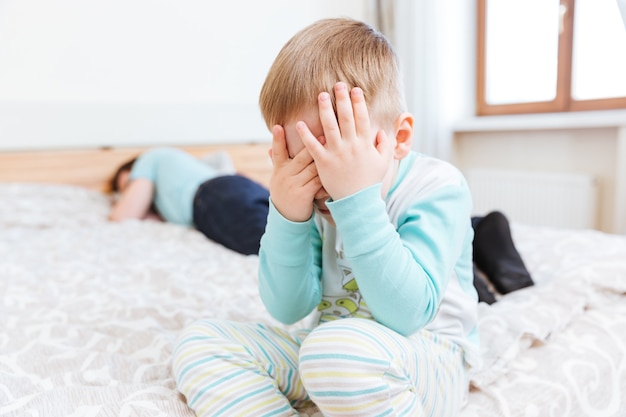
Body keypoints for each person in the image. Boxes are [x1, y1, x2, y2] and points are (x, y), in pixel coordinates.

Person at [172, 17, 481, 416]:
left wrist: (356, 199)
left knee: (331, 351)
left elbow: (408, 314)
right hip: (329, 357)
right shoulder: (313, 202)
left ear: (398, 139)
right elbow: (289, 308)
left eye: (336, 152)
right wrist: (286, 215)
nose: (319, 178)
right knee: (201, 342)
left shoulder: (437, 186)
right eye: (300, 159)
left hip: (426, 358)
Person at [109, 146, 269, 255]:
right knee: (284, 228)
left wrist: (119, 204)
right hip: (232, 187)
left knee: (275, 248)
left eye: (129, 186)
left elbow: (122, 217)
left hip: (212, 197)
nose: (130, 193)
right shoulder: (169, 188)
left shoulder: (146, 161)